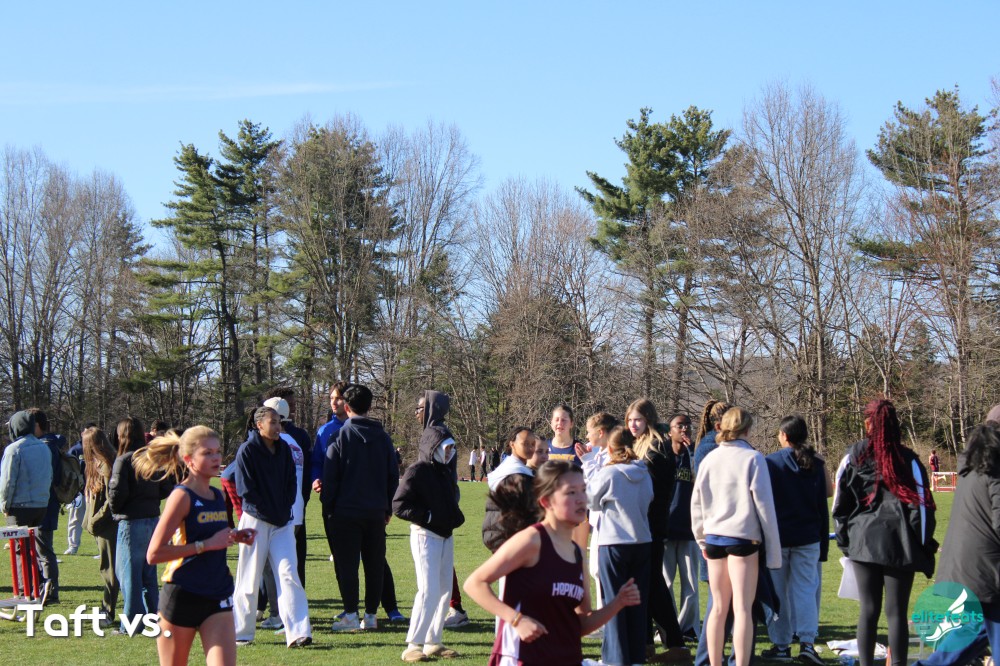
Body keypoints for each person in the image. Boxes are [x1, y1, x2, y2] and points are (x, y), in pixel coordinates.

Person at [464, 460, 642, 665]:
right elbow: (474, 584)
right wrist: (516, 619)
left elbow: (581, 623)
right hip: (523, 658)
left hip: (566, 658)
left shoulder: (577, 552)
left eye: (583, 490)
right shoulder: (531, 541)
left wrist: (618, 603)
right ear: (546, 502)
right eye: (571, 492)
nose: (581, 499)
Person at [135, 426, 257, 665]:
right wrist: (205, 545)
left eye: (218, 452)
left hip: (218, 593)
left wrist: (234, 535)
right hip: (183, 595)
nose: (216, 458)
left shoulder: (218, 496)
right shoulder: (181, 496)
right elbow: (154, 553)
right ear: (189, 460)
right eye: (207, 453)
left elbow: (212, 534)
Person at [833, 399, 936, 666]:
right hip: (900, 543)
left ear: (869, 423)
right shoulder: (909, 459)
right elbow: (921, 509)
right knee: (896, 612)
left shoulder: (853, 455)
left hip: (863, 542)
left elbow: (840, 504)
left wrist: (846, 542)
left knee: (868, 610)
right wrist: (923, 543)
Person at [691, 407, 781, 666]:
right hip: (743, 538)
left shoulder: (710, 459)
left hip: (714, 538)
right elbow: (765, 508)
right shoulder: (753, 458)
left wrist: (701, 538)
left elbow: (696, 503)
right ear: (747, 429)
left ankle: (714, 663)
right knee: (742, 609)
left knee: (718, 608)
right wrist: (774, 554)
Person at [392, 390, 465, 662]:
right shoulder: (417, 471)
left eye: (452, 448)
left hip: (445, 536)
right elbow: (399, 505)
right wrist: (429, 517)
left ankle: (434, 641)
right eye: (446, 448)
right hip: (425, 536)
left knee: (444, 590)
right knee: (428, 590)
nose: (450, 452)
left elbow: (451, 498)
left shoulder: (445, 472)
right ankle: (413, 644)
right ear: (433, 447)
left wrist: (450, 518)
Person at [231, 406, 312, 647]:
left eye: (279, 422)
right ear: (259, 425)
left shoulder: (284, 449)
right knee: (249, 576)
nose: (278, 427)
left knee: (289, 574)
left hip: (282, 523)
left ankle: (298, 632)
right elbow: (245, 489)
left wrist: (284, 509)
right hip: (255, 521)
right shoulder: (247, 450)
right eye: (273, 422)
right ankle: (242, 632)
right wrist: (268, 510)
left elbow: (291, 483)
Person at [321, 383, 399, 632]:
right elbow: (393, 476)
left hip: (345, 511)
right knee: (375, 564)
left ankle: (351, 614)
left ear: (346, 407)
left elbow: (331, 477)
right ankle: (371, 615)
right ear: (369, 406)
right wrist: (387, 508)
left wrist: (329, 507)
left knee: (348, 565)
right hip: (375, 511)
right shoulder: (383, 438)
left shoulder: (339, 437)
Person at [761, 415, 828, 665]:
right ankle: (807, 642)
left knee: (778, 593)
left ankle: (781, 645)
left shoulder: (771, 462)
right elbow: (824, 500)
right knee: (806, 591)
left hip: (778, 538)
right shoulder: (815, 462)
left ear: (784, 435)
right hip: (808, 537)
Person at [626, 398, 688, 660]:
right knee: (645, 584)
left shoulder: (656, 448)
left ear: (648, 420)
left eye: (638, 420)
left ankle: (675, 644)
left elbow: (651, 492)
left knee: (653, 584)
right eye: (630, 420)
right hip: (644, 525)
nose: (633, 424)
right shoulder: (640, 444)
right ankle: (647, 643)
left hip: (651, 525)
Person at [587, 426, 654, 666]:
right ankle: (635, 656)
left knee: (614, 603)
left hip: (614, 541)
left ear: (610, 448)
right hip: (642, 541)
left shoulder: (609, 473)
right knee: (636, 601)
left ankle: (616, 658)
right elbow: (649, 499)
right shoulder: (644, 472)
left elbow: (591, 501)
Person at [109, 417, 174, 629]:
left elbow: (117, 493)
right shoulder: (152, 457)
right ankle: (154, 618)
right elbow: (166, 486)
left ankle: (131, 623)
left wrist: (115, 510)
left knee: (128, 575)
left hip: (131, 521)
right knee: (148, 575)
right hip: (152, 519)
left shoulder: (124, 460)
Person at [0, 410, 53, 599]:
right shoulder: (44, 447)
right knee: (32, 547)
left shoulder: (14, 449)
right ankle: (38, 584)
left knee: (19, 549)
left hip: (19, 507)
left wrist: (4, 505)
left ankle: (26, 591)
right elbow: (48, 476)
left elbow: (7, 482)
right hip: (40, 506)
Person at [663, 412, 700, 642]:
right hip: (665, 529)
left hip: (689, 529)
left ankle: (688, 629)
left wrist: (692, 453)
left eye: (687, 425)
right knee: (665, 583)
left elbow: (701, 480)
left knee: (691, 584)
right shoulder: (663, 455)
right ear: (670, 431)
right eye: (679, 425)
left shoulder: (694, 454)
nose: (684, 429)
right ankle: (669, 628)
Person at [82, 427, 120, 624]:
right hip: (99, 525)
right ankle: (106, 608)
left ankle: (108, 611)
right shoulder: (96, 464)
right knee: (107, 567)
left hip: (107, 525)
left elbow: (111, 500)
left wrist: (96, 519)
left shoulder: (106, 465)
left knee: (109, 569)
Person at [30, 408, 65, 602]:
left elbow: (49, 477)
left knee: (44, 550)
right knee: (40, 549)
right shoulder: (50, 444)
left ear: (37, 425)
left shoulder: (47, 446)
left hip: (45, 504)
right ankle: (44, 588)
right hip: (47, 503)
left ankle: (50, 592)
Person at [482, 427, 536, 553]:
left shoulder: (510, 470)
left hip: (500, 536)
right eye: (525, 443)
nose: (530, 448)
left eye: (533, 444)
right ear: (512, 444)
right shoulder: (516, 476)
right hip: (507, 540)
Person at [65, 424, 94, 556]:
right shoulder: (75, 450)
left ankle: (101, 548)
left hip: (94, 490)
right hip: (79, 492)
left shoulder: (99, 449)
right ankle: (72, 546)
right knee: (75, 519)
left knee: (96, 519)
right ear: (82, 433)